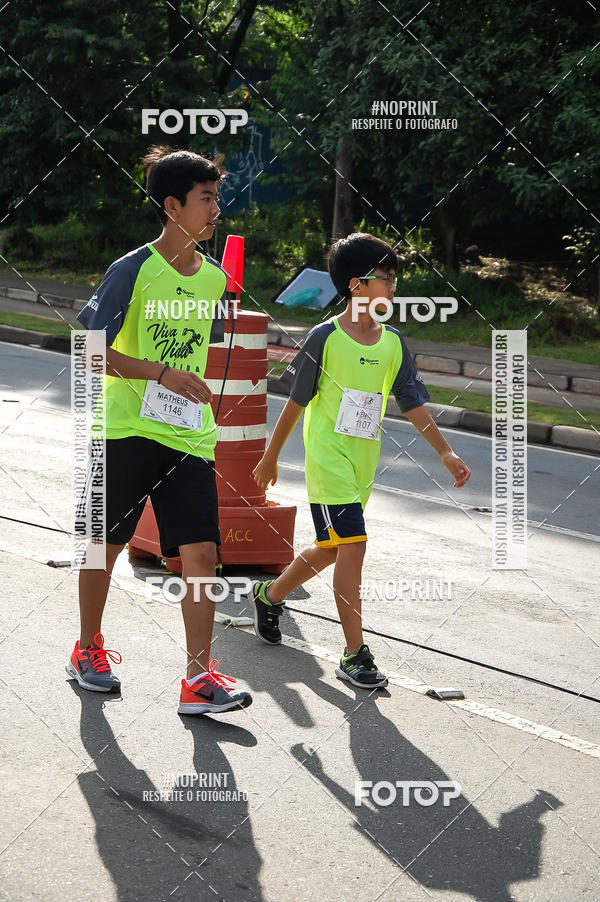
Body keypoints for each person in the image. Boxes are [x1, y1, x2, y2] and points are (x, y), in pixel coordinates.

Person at [66, 145, 252, 715]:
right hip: (124, 430)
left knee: (202, 554)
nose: (215, 209)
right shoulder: (133, 269)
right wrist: (160, 372)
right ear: (172, 206)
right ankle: (87, 648)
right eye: (206, 199)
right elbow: (88, 351)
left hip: (188, 439)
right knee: (106, 546)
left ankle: (199, 679)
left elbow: (198, 352)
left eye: (216, 197)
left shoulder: (215, 280)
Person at [251, 232, 471, 688]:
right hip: (329, 462)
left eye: (394, 280)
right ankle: (355, 653)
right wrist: (270, 457)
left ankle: (270, 596)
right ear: (357, 285)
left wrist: (446, 452)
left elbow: (411, 402)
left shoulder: (392, 343)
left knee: (332, 549)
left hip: (363, 463)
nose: (393, 289)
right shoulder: (324, 338)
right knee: (354, 546)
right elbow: (295, 402)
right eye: (385, 279)